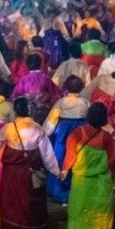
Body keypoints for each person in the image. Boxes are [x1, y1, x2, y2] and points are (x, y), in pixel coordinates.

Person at [0, 97, 63, 229]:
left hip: (11, 175)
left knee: (11, 204)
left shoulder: (8, 128)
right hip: (31, 174)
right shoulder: (36, 128)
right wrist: (56, 171)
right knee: (32, 204)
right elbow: (48, 154)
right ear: (29, 110)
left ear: (16, 111)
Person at [61, 102, 115, 229]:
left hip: (81, 178)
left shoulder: (77, 133)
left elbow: (71, 153)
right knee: (98, 204)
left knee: (78, 204)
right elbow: (113, 155)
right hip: (100, 178)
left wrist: (65, 169)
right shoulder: (105, 137)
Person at [43, 77, 89, 205]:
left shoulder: (61, 102)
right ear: (81, 87)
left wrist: (44, 134)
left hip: (63, 134)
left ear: (66, 87)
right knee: (78, 161)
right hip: (81, 134)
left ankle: (61, 193)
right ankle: (78, 192)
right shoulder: (85, 102)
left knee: (61, 161)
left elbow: (51, 121)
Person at [12, 53, 59, 125]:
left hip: (27, 112)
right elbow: (55, 93)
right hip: (44, 113)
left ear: (27, 65)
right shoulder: (45, 78)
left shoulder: (24, 79)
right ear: (41, 64)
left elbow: (15, 95)